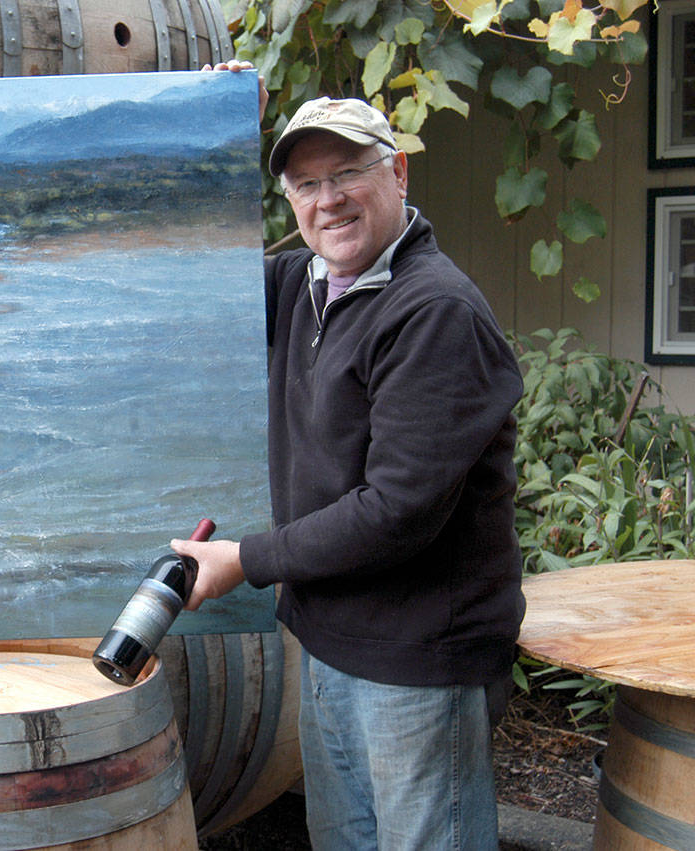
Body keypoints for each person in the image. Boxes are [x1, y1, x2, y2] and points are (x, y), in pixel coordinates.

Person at [172, 82, 526, 850]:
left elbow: (396, 510)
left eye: (347, 174)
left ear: (397, 172)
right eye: (306, 183)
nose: (327, 199)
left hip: (417, 661)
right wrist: (215, 130)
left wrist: (246, 561)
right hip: (330, 641)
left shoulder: (434, 312)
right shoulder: (301, 285)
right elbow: (191, 269)